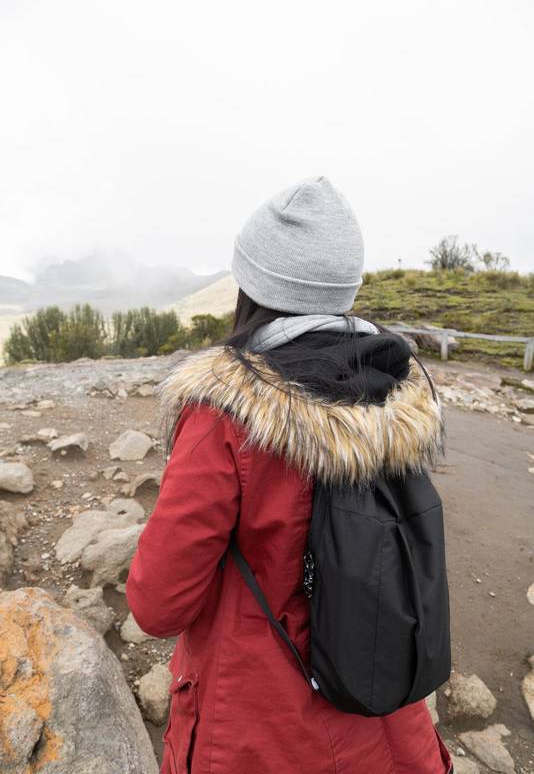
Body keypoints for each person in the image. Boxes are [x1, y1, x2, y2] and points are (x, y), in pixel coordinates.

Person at [126, 176, 453, 774]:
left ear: (250, 284)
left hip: (257, 729)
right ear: (344, 287)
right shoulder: (392, 398)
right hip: (386, 719)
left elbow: (157, 604)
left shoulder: (227, 413)